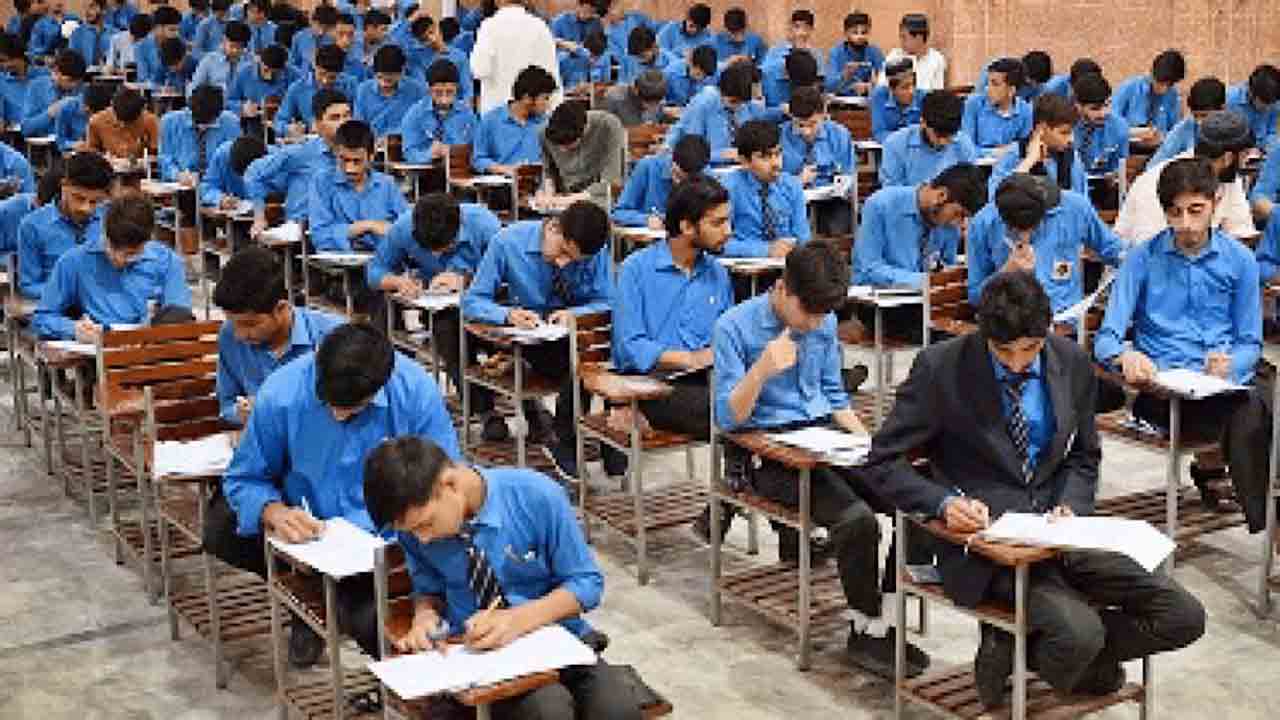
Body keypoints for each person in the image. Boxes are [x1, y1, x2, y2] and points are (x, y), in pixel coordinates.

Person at [865, 269, 1206, 709]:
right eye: (1002, 351)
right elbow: (882, 461)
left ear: (1047, 333)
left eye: (1029, 350)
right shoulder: (941, 368)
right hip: (988, 545)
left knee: (1183, 616)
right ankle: (1075, 659)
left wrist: (1072, 504)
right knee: (1080, 634)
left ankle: (1023, 649)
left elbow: (1084, 456)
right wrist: (943, 503)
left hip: (1061, 530)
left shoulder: (1071, 362)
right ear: (984, 335)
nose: (1016, 364)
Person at [714, 239, 930, 678]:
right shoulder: (734, 327)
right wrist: (762, 370)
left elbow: (834, 395)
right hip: (767, 451)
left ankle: (884, 620)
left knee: (917, 503)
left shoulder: (824, 321)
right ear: (783, 288)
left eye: (823, 314)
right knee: (857, 522)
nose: (815, 323)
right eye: (808, 312)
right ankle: (864, 628)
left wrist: (870, 448)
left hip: (824, 438)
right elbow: (727, 419)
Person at [209, 323, 460, 667]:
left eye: (351, 408)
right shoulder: (282, 392)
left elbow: (446, 480)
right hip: (310, 532)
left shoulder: (414, 391)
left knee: (375, 622)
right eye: (328, 403)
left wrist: (410, 537)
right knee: (221, 526)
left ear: (380, 387)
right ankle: (306, 592)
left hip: (394, 540)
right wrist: (274, 511)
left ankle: (330, 603)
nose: (337, 416)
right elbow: (244, 478)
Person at [362, 436, 645, 720]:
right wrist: (425, 616)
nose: (422, 539)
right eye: (413, 531)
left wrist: (518, 620)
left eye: (426, 524)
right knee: (547, 709)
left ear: (450, 484)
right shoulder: (414, 532)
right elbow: (428, 590)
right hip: (478, 658)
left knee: (616, 709)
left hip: (558, 639)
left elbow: (587, 582)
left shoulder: (535, 496)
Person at [1098, 155, 1274, 527]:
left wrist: (1231, 365)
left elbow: (1249, 341)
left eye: (1196, 211)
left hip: (1219, 387)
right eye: (1175, 213)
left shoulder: (1240, 260)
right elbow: (1107, 337)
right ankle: (1269, 526)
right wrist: (1126, 356)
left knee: (1253, 402)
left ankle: (1257, 510)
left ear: (1215, 203)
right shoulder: (1142, 259)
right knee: (1254, 412)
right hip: (1162, 394)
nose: (1186, 224)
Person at [461, 201, 617, 476]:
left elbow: (608, 300)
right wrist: (508, 314)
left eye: (575, 261)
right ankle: (564, 437)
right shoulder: (508, 242)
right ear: (554, 227)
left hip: (573, 337)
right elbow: (472, 301)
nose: (564, 263)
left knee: (609, 350)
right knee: (581, 359)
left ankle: (609, 435)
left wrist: (575, 314)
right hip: (531, 338)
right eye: (564, 252)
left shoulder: (594, 249)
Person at [614, 175, 732, 438]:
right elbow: (629, 345)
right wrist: (689, 359)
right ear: (687, 226)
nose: (728, 231)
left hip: (705, 379)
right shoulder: (635, 270)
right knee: (728, 411)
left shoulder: (718, 273)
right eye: (718, 223)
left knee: (765, 399)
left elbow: (727, 337)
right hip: (652, 384)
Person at [33, 191, 191, 339]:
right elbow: (42, 318)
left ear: (149, 240)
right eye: (112, 248)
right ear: (104, 232)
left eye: (131, 254)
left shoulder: (168, 262)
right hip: (96, 348)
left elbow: (180, 320)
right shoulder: (74, 261)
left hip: (150, 347)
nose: (119, 259)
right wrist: (73, 329)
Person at [213, 248, 343, 426]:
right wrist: (240, 413)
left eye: (250, 324)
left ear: (281, 308)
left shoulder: (333, 335)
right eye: (232, 322)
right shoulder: (229, 335)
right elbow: (227, 404)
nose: (240, 334)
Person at [967, 173, 1123, 314]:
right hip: (1011, 324)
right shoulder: (983, 223)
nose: (1026, 237)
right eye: (1020, 231)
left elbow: (1113, 249)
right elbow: (975, 297)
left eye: (1035, 226)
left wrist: (1132, 260)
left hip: (1065, 319)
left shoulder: (1074, 207)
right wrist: (1005, 273)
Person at [1116, 111, 1254, 245]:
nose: (1246, 161)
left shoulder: (1228, 177)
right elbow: (1150, 248)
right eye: (1245, 154)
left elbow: (1240, 234)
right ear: (1228, 158)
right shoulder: (1160, 182)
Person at [854, 162, 985, 291]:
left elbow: (947, 266)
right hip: (876, 295)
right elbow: (871, 268)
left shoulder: (949, 225)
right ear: (941, 195)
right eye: (959, 214)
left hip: (926, 296)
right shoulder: (880, 205)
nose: (959, 223)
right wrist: (925, 281)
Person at [246, 88, 350, 230]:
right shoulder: (302, 152)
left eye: (347, 116)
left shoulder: (357, 155)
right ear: (317, 124)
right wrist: (259, 218)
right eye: (335, 118)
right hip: (300, 230)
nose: (343, 123)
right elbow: (253, 173)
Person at [367, 191, 500, 297]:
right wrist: (398, 282)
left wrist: (466, 280)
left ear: (459, 226)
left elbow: (506, 275)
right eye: (427, 248)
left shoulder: (485, 226)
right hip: (427, 296)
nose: (436, 255)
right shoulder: (403, 227)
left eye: (446, 248)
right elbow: (375, 270)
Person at [17, 151, 112, 299]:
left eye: (95, 201)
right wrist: (69, 292)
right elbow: (29, 285)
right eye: (78, 198)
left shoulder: (112, 219)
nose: (85, 208)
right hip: (58, 306)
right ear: (63, 185)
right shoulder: (32, 226)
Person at [308, 119, 408, 252]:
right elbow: (320, 237)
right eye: (344, 160)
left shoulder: (387, 185)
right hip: (337, 262)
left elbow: (407, 229)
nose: (350, 169)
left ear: (371, 156)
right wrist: (367, 226)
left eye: (357, 161)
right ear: (336, 153)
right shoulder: (321, 183)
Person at [720, 120, 808, 259]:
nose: (775, 163)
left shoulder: (792, 185)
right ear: (744, 161)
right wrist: (765, 250)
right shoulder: (728, 188)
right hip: (744, 266)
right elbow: (718, 244)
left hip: (787, 263)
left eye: (778, 154)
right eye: (765, 157)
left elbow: (803, 237)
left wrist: (794, 248)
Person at [665, 61, 776, 164]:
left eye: (743, 102)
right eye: (734, 101)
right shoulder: (704, 103)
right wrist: (723, 155)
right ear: (721, 91)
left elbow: (762, 120)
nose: (738, 108)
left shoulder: (747, 103)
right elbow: (691, 153)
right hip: (703, 166)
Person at [781, 86, 854, 235]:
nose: (806, 132)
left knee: (837, 230)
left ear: (823, 115)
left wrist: (842, 184)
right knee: (792, 232)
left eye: (813, 124)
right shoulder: (779, 136)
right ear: (791, 116)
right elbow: (773, 183)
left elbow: (848, 173)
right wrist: (797, 181)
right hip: (792, 198)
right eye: (800, 125)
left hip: (831, 199)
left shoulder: (840, 134)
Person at [988, 93, 1087, 200]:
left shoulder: (1072, 156)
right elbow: (996, 200)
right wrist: (1029, 161)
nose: (1071, 140)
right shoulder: (1014, 154)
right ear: (1041, 129)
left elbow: (1082, 202)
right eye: (1064, 133)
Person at [469, 0, 558, 114]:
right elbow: (552, 74)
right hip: (534, 112)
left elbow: (479, 70)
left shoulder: (489, 26)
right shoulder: (540, 27)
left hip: (496, 111)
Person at [879, 90, 977, 187]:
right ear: (923, 122)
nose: (943, 142)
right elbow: (891, 192)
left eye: (949, 136)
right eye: (938, 136)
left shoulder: (963, 144)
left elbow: (970, 188)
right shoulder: (895, 144)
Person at [538, 100, 624, 210]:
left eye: (568, 145)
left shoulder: (608, 125)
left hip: (599, 197)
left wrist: (571, 199)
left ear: (584, 131)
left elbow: (612, 181)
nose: (562, 150)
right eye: (557, 145)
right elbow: (548, 171)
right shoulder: (544, 132)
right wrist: (548, 194)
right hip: (564, 197)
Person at [611, 134, 709, 228]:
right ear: (672, 160)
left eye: (687, 180)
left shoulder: (707, 176)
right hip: (652, 237)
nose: (679, 183)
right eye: (677, 176)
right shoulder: (647, 167)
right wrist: (646, 220)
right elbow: (619, 213)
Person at [472, 64, 555, 174]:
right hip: (503, 180)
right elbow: (478, 159)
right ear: (527, 98)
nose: (548, 104)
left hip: (538, 180)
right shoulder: (491, 121)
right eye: (545, 98)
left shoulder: (547, 123)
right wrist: (503, 169)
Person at [158, 83, 240, 184]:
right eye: (197, 122)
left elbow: (234, 161)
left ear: (219, 114)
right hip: (180, 184)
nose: (202, 127)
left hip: (216, 184)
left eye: (208, 123)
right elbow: (164, 158)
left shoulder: (231, 123)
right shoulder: (169, 122)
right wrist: (177, 174)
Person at [400, 59, 478, 163]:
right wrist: (429, 154)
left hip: (458, 168)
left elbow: (477, 150)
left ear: (457, 88)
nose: (444, 100)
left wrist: (453, 151)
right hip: (424, 170)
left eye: (449, 92)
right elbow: (409, 153)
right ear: (429, 90)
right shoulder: (415, 114)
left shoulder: (467, 115)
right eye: (438, 92)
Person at [1072, 72, 1129, 209]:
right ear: (1078, 106)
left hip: (1103, 186)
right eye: (1095, 109)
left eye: (1107, 105)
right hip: (1072, 186)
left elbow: (1120, 164)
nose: (1103, 113)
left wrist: (1115, 175)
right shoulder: (1067, 126)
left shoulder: (1119, 126)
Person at [273, 43, 356, 138]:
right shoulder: (297, 88)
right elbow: (279, 121)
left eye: (332, 77)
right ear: (314, 65)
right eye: (321, 74)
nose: (325, 81)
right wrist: (288, 128)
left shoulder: (350, 85)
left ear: (340, 72)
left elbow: (358, 119)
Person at [1113, 49, 1186, 148]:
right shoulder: (1129, 88)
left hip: (1158, 151)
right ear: (1152, 72)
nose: (1164, 89)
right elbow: (1111, 124)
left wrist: (1162, 137)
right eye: (1160, 83)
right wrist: (1134, 133)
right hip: (1126, 149)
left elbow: (1176, 131)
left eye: (1169, 85)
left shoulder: (1173, 95)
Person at [961, 57, 1033, 154]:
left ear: (1011, 90)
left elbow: (1025, 149)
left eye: (995, 84)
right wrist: (1000, 151)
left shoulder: (1025, 110)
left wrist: (1012, 150)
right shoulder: (973, 103)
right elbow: (967, 149)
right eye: (988, 83)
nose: (987, 89)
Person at [353, 44, 426, 138]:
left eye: (389, 80)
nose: (384, 85)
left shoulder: (416, 90)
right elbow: (359, 125)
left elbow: (421, 123)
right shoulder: (363, 90)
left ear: (402, 72)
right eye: (380, 77)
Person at [1151, 77, 1225, 166]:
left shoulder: (1235, 130)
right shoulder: (1183, 129)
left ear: (1222, 109)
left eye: (1204, 116)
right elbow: (1156, 163)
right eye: (1195, 116)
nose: (1199, 122)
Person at [22, 48, 86, 138]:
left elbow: (85, 131)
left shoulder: (83, 91)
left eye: (78, 81)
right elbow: (26, 129)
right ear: (56, 72)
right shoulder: (36, 87)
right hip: (42, 143)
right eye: (70, 80)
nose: (74, 85)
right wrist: (49, 113)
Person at [86, 85, 159, 159]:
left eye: (131, 122)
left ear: (141, 111)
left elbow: (156, 152)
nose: (124, 125)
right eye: (121, 120)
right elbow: (92, 152)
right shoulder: (96, 122)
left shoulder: (150, 120)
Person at [199, 135, 266, 210]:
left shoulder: (274, 160)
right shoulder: (222, 154)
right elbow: (207, 188)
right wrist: (221, 199)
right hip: (232, 212)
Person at [881, 13, 944, 91]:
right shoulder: (895, 56)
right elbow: (882, 87)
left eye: (904, 37)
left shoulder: (936, 59)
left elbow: (937, 92)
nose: (901, 41)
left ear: (918, 38)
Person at [826, 12, 883, 97]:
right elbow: (829, 86)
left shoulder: (875, 52)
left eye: (864, 32)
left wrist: (871, 85)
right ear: (846, 33)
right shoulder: (836, 52)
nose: (860, 37)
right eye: (855, 32)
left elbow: (885, 81)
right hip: (841, 101)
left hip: (867, 100)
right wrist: (845, 75)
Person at [870, 59, 924, 143]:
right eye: (905, 87)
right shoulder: (879, 95)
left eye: (913, 85)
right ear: (891, 89)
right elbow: (879, 133)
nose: (911, 91)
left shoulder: (923, 97)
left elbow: (926, 135)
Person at [226, 43, 288, 116]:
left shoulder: (293, 75)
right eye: (266, 70)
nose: (269, 76)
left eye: (275, 73)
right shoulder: (244, 73)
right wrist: (242, 108)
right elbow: (229, 101)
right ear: (259, 61)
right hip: (251, 119)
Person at [600, 68, 670, 127]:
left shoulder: (659, 95)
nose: (652, 107)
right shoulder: (615, 97)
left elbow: (660, 120)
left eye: (657, 102)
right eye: (648, 103)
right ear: (635, 90)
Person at [287, 4, 338, 82]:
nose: (322, 31)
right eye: (320, 26)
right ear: (313, 21)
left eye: (326, 28)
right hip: (303, 81)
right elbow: (293, 63)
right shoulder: (299, 37)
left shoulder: (334, 40)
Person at [134, 4, 182, 85]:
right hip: (151, 90)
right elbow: (143, 78)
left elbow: (180, 78)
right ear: (158, 28)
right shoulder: (141, 47)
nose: (176, 34)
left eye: (178, 30)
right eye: (172, 30)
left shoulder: (180, 43)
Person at [558, 28, 612, 94]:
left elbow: (606, 85)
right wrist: (572, 90)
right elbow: (556, 89)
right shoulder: (565, 58)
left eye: (597, 58)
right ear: (584, 49)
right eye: (591, 56)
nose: (592, 61)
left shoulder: (605, 57)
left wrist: (592, 88)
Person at [662, 44, 716, 108]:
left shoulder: (711, 71)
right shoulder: (669, 74)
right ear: (690, 62)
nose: (700, 79)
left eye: (704, 77)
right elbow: (659, 103)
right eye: (698, 74)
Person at [69, 0, 112, 67]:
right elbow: (72, 64)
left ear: (103, 10)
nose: (87, 11)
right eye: (84, 7)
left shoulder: (114, 33)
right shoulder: (77, 34)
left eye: (92, 6)